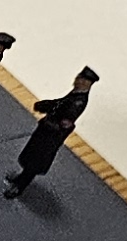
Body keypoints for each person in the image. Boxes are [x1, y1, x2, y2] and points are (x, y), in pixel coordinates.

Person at [8, 68, 100, 199]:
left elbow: (64, 124)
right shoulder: (75, 94)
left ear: (86, 83)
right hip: (45, 132)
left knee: (35, 161)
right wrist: (45, 106)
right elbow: (59, 103)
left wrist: (47, 123)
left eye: (80, 79)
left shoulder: (78, 103)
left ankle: (19, 187)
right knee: (31, 154)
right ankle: (20, 177)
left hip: (50, 137)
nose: (76, 80)